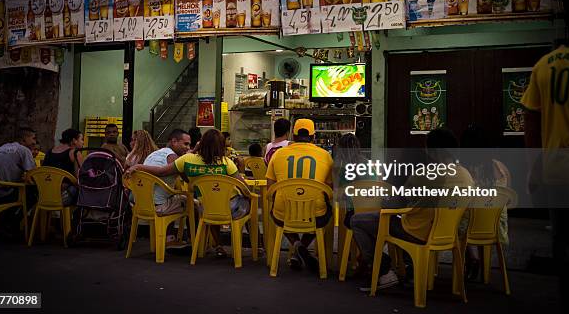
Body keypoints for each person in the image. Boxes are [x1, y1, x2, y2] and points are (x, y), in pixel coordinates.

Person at [521, 0, 569, 314]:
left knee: (565, 247)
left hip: (559, 172)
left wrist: (533, 170)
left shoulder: (545, 65)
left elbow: (531, 123)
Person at [349, 128, 473, 291]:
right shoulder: (466, 175)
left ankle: (384, 270)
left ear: (431, 150)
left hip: (417, 231)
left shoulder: (425, 174)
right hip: (447, 233)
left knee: (357, 220)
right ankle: (409, 269)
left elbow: (396, 202)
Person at [128, 129, 249, 257]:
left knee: (205, 205)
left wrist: (138, 167)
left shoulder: (186, 160)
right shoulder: (227, 163)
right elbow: (244, 188)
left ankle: (211, 244)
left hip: (207, 209)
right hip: (230, 209)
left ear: (201, 143)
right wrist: (249, 195)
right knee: (248, 201)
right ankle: (257, 246)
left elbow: (161, 172)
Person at [265, 118, 333, 272]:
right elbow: (330, 188)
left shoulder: (278, 154)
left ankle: (296, 245)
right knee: (326, 213)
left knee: (277, 213)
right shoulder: (325, 156)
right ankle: (302, 247)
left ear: (293, 137)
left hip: (284, 213)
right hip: (315, 214)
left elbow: (270, 188)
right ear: (313, 137)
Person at [338, 133, 398, 291]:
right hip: (378, 212)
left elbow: (341, 196)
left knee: (349, 220)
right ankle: (365, 263)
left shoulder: (346, 169)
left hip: (359, 213)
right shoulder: (369, 163)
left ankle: (377, 265)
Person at [460, 124, 511, 280]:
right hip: (496, 226)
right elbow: (507, 199)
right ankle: (478, 263)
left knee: (458, 217)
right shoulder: (501, 167)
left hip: (471, 226)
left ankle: (472, 257)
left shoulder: (464, 169)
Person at [142, 129, 191, 216]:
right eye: (186, 144)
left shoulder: (154, 154)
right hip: (158, 206)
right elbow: (188, 179)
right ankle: (193, 230)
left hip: (142, 204)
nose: (188, 148)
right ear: (174, 141)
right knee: (194, 204)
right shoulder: (173, 157)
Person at [0, 127, 37, 205]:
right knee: (34, 192)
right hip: (0, 195)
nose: (35, 142)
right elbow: (34, 175)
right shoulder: (24, 150)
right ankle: (11, 217)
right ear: (24, 139)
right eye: (33, 138)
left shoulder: (3, 147)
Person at [43, 128, 84, 206]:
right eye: (81, 139)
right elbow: (79, 178)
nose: (83, 142)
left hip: (45, 194)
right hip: (63, 197)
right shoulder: (75, 153)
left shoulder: (49, 152)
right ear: (74, 140)